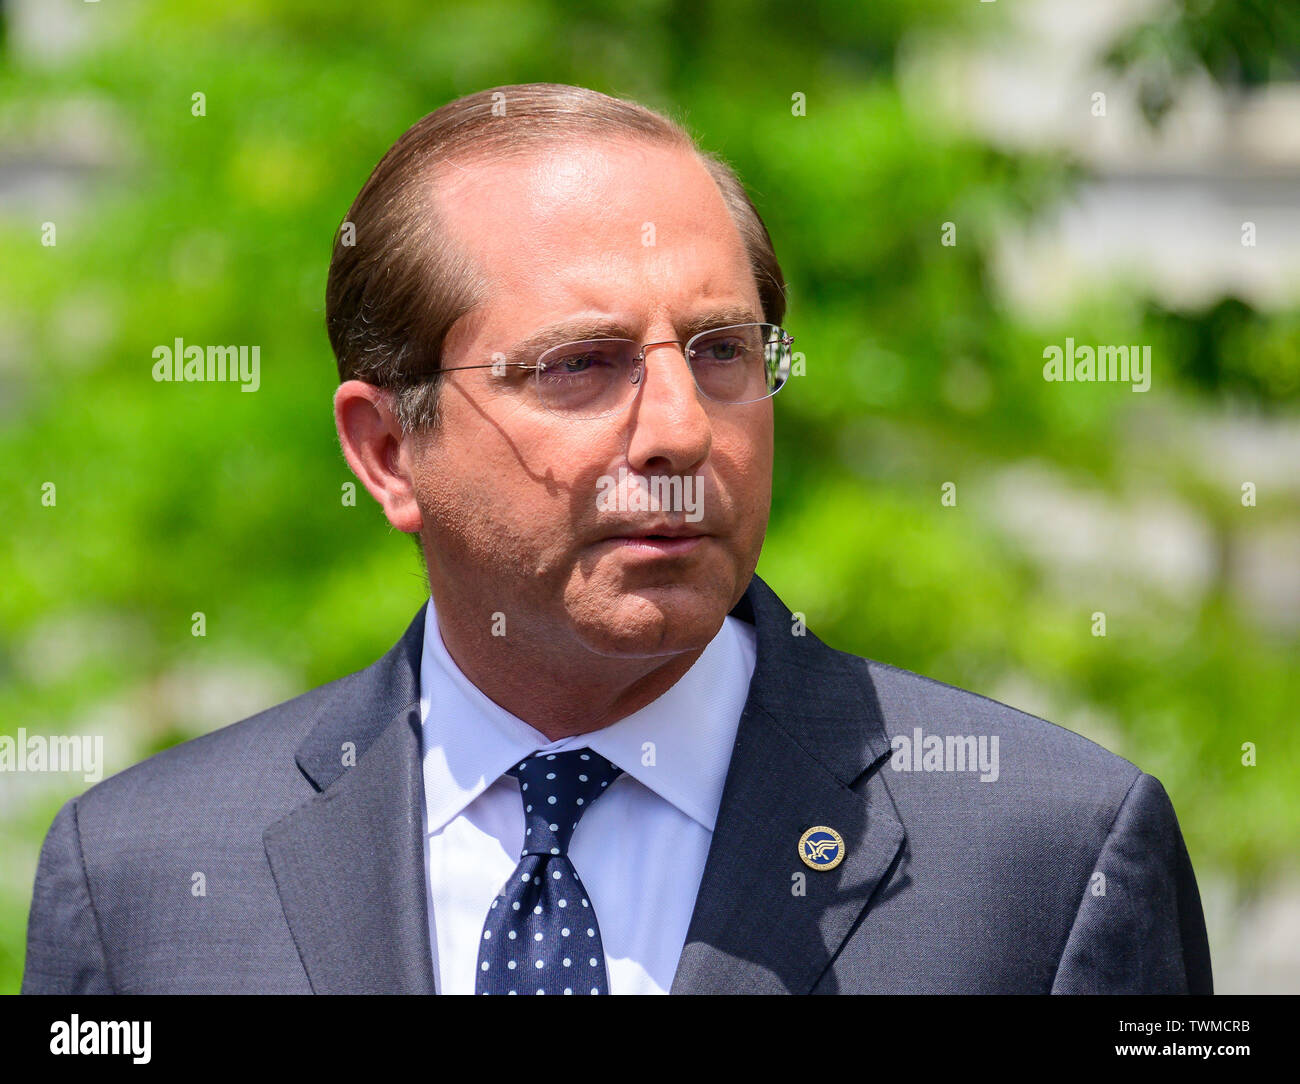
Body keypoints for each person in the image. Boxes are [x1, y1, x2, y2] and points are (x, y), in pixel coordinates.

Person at [22, 83, 1211, 995]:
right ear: (387, 451)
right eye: (579, 365)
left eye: (722, 352)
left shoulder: (1048, 861)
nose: (681, 431)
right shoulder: (140, 880)